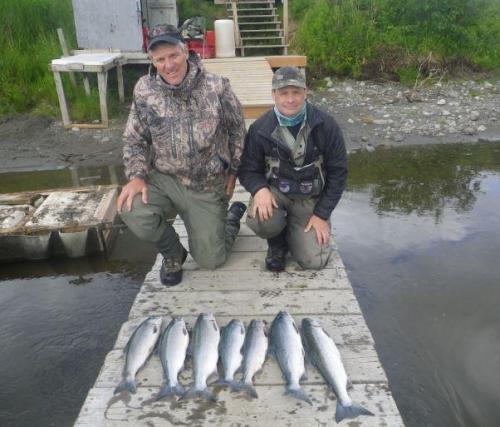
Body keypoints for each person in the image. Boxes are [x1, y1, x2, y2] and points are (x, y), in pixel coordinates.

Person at [117, 24, 247, 286]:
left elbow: (238, 130)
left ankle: (230, 221)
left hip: (207, 183)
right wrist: (137, 176)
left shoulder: (217, 86)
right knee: (130, 208)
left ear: (185, 51)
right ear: (152, 61)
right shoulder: (144, 90)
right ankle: (174, 254)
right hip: (165, 179)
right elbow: (134, 138)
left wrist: (233, 172)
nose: (169, 65)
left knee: (211, 260)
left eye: (173, 55)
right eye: (160, 59)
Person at [238, 67, 348, 272]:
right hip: (276, 193)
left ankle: (294, 232)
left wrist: (322, 214)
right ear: (273, 95)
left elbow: (339, 173)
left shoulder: (326, 125)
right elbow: (247, 169)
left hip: (310, 198)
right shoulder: (260, 128)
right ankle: (276, 244)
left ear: (305, 92)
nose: (290, 100)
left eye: (296, 92)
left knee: (314, 262)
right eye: (283, 93)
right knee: (264, 222)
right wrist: (259, 189)